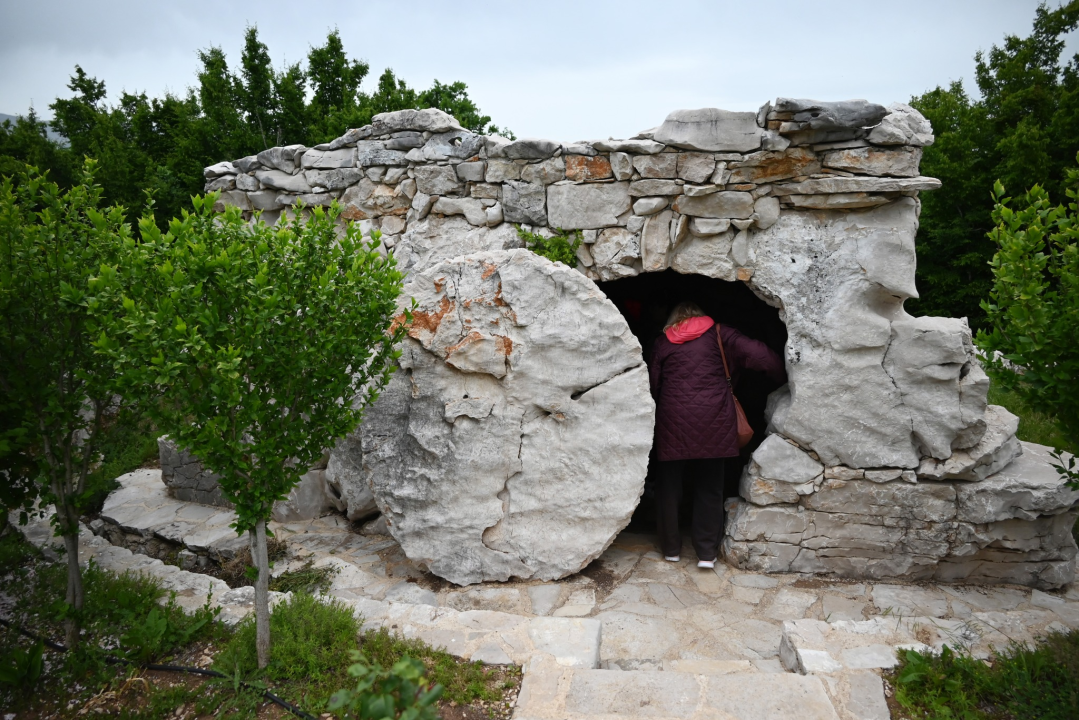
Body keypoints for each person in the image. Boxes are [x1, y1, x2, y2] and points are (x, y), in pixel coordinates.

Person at [648, 301, 785, 569]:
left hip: (672, 420)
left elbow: (653, 385)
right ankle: (706, 554)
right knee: (710, 487)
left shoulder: (663, 342)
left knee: (669, 486)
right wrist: (782, 379)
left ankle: (671, 549)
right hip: (715, 420)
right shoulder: (721, 333)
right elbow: (761, 356)